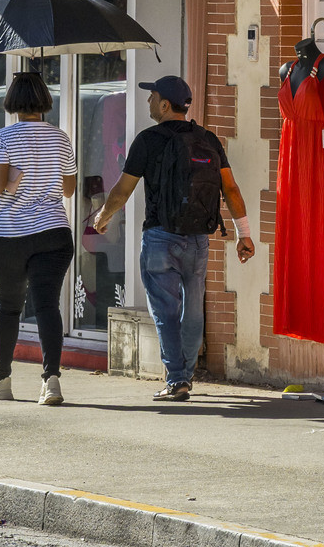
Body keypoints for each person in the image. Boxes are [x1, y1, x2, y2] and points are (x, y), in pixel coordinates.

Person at [93, 74, 255, 403]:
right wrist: (244, 235)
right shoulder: (208, 139)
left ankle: (176, 378)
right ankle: (186, 372)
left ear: (165, 105)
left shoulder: (147, 140)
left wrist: (103, 215)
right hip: (198, 238)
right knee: (193, 308)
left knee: (165, 310)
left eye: (152, 97)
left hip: (160, 237)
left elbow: (123, 190)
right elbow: (231, 189)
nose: (149, 102)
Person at [0, 69, 77, 406]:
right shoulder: (61, 138)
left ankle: (2, 379)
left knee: (9, 307)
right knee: (47, 306)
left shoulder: (2, 137)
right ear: (44, 101)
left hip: (11, 234)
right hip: (55, 233)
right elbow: (68, 189)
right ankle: (51, 381)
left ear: (13, 103)